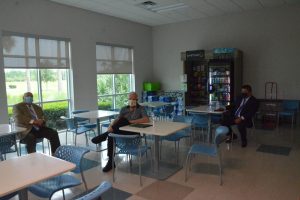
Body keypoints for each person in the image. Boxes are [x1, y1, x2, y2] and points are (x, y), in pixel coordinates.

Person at [91, 92, 149, 172]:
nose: (131, 100)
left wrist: (131, 122)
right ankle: (111, 162)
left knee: (121, 123)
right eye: (130, 99)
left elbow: (146, 119)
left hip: (133, 133)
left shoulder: (141, 108)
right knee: (114, 131)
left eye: (133, 99)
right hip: (121, 131)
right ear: (128, 99)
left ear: (137, 99)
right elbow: (117, 120)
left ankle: (105, 135)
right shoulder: (124, 108)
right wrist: (110, 125)